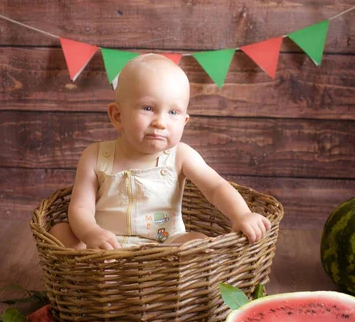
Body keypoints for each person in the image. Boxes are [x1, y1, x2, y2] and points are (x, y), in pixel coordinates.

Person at [50, 53, 271, 250]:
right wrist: (91, 233)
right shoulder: (95, 157)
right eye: (148, 108)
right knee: (60, 232)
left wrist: (241, 214)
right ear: (117, 116)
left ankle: (167, 281)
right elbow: (80, 208)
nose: (161, 122)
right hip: (107, 246)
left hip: (167, 247)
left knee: (199, 242)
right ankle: (101, 279)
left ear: (184, 121)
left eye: (173, 112)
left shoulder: (181, 155)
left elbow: (215, 187)